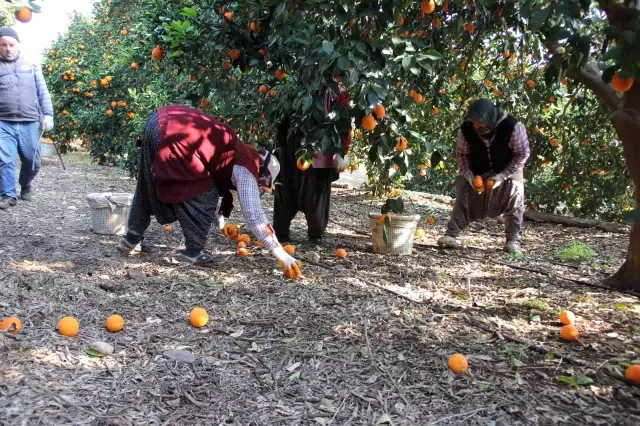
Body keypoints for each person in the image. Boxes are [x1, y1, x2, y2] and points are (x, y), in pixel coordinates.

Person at [118, 104, 301, 278]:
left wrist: (220, 223)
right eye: (260, 184)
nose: (257, 187)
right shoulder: (247, 168)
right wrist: (279, 251)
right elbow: (253, 213)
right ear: (261, 173)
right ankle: (194, 252)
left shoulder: (237, 151)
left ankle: (131, 239)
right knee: (204, 194)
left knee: (147, 185)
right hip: (174, 134)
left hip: (158, 120)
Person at [437, 99, 530, 254]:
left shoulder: (513, 127)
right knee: (463, 191)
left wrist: (502, 176)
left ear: (491, 120)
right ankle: (451, 235)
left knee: (515, 194)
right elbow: (462, 155)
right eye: (475, 124)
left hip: (508, 170)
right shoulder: (466, 130)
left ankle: (512, 241)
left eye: (481, 124)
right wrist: (469, 176)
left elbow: (522, 154)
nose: (477, 127)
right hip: (478, 169)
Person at [273, 80, 351, 243]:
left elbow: (343, 120)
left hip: (315, 147)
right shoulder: (296, 85)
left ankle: (313, 233)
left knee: (313, 190)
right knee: (291, 189)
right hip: (296, 146)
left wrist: (342, 150)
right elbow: (282, 117)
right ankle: (285, 233)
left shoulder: (336, 90)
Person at [0, 27, 54, 210]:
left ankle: (26, 184)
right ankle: (8, 195)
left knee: (33, 160)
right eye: (3, 45)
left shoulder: (31, 65)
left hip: (30, 121)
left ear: (18, 45)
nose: (8, 48)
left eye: (11, 44)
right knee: (4, 159)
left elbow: (42, 92)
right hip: (3, 121)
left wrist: (48, 115)